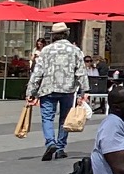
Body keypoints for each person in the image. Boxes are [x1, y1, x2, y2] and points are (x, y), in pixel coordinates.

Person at [23, 24, 86, 161]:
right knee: (65, 119)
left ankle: (50, 142)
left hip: (48, 88)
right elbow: (81, 72)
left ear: (53, 35)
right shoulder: (75, 50)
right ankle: (60, 147)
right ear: (66, 34)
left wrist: (31, 91)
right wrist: (84, 90)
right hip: (68, 88)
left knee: (47, 117)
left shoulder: (46, 50)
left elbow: (37, 72)